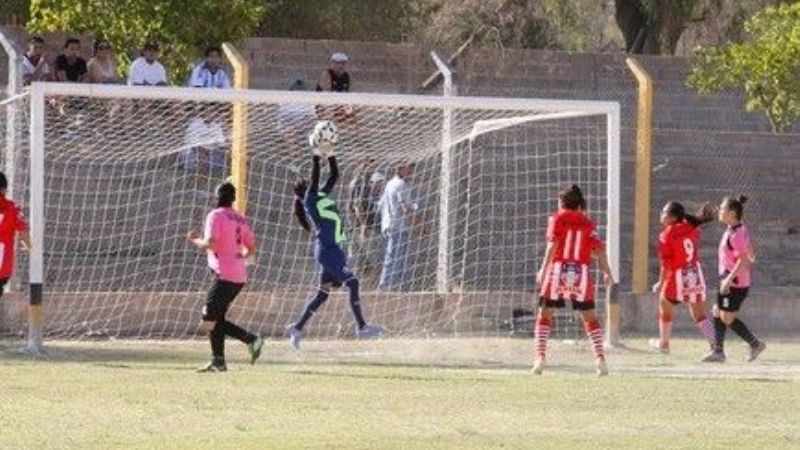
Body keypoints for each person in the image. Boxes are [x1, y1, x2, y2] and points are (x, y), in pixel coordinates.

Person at [286, 142, 383, 349]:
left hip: (333, 249)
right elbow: (314, 179)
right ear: (304, 191)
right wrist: (315, 156)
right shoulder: (309, 201)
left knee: (322, 295)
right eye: (307, 183)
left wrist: (330, 154)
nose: (309, 182)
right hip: (328, 251)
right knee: (353, 283)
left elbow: (334, 175)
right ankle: (362, 327)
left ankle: (297, 328)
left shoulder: (320, 195)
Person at [533, 185, 614, 376]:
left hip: (558, 270)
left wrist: (542, 271)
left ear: (562, 203)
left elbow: (552, 246)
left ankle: (540, 357)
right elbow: (600, 250)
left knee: (545, 315)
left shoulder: (557, 219)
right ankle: (600, 359)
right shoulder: (588, 223)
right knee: (590, 318)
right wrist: (607, 272)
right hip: (581, 273)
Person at [187, 182, 263, 372]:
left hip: (225, 274)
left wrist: (195, 239)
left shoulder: (215, 215)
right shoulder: (240, 218)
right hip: (238, 276)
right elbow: (252, 248)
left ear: (217, 196)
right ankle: (218, 361)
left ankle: (252, 339)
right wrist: (240, 258)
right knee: (216, 317)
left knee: (208, 317)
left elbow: (210, 244)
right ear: (233, 199)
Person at [702, 195, 766, 363]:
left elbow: (742, 260)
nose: (719, 211)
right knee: (717, 311)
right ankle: (718, 352)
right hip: (729, 280)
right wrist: (751, 252)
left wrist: (729, 280)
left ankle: (755, 344)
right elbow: (747, 248)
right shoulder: (737, 228)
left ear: (731, 213)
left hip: (734, 283)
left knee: (727, 318)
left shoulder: (735, 234)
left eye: (722, 209)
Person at [649, 201, 716, 355]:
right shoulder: (690, 227)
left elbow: (665, 264)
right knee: (699, 314)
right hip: (695, 273)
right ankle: (716, 345)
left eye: (664, 212)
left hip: (679, 275)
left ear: (672, 217)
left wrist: (660, 282)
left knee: (664, 302)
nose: (661, 215)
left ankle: (664, 344)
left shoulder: (666, 235)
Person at [378, 162, 418, 291]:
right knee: (397, 256)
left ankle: (388, 285)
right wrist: (418, 224)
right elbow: (406, 208)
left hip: (389, 224)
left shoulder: (390, 183)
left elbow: (381, 205)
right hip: (397, 226)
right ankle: (389, 287)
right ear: (401, 169)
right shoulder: (401, 185)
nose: (412, 171)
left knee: (393, 255)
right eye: (409, 169)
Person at [348, 158, 385, 284]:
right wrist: (364, 225)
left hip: (357, 227)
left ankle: (357, 286)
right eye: (369, 164)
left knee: (361, 262)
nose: (372, 167)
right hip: (361, 228)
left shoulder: (361, 181)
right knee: (370, 260)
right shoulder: (360, 183)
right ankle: (370, 287)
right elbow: (357, 205)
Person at [0, 171, 31, 299]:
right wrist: (28, 246)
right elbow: (23, 231)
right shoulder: (12, 208)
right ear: (4, 189)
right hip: (3, 269)